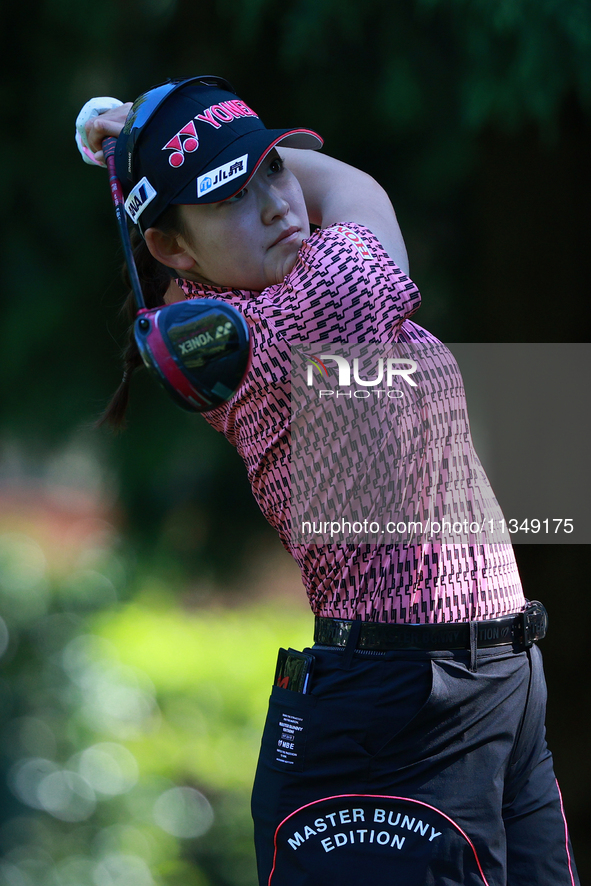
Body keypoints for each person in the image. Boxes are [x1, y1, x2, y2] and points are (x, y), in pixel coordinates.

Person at [78, 77, 579, 886]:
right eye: (231, 197)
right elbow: (350, 186)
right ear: (172, 248)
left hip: (491, 684)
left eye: (272, 170)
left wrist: (150, 133)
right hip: (404, 710)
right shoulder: (301, 312)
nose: (278, 204)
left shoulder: (236, 297)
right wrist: (146, 128)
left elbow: (273, 201)